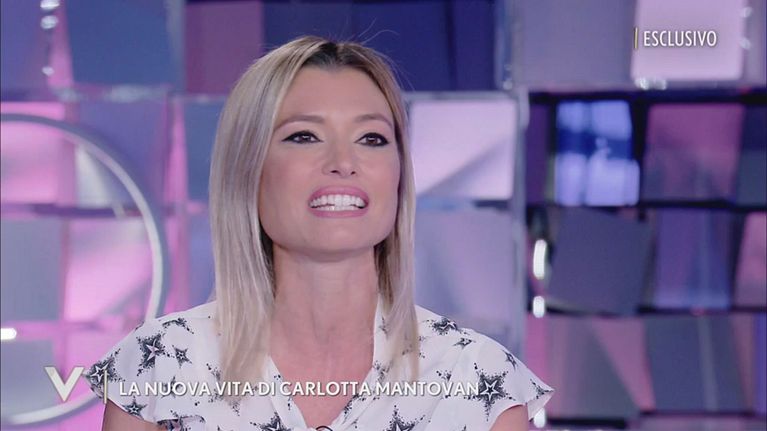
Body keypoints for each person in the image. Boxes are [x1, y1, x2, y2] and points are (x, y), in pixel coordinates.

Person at [85, 35, 553, 431]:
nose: (344, 163)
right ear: (248, 169)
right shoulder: (161, 362)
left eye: (371, 138)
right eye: (304, 136)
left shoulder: (477, 379)